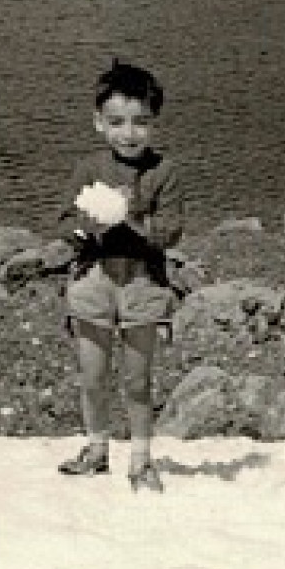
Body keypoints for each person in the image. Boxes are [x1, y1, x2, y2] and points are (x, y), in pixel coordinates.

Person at [55, 60, 185, 493]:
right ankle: (96, 447)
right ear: (99, 123)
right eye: (117, 122)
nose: (128, 133)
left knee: (137, 378)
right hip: (94, 278)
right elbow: (65, 221)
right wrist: (90, 225)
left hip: (143, 282)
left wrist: (131, 218)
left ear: (154, 123)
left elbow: (169, 232)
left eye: (140, 122)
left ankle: (142, 458)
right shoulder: (89, 168)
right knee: (92, 374)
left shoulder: (163, 172)